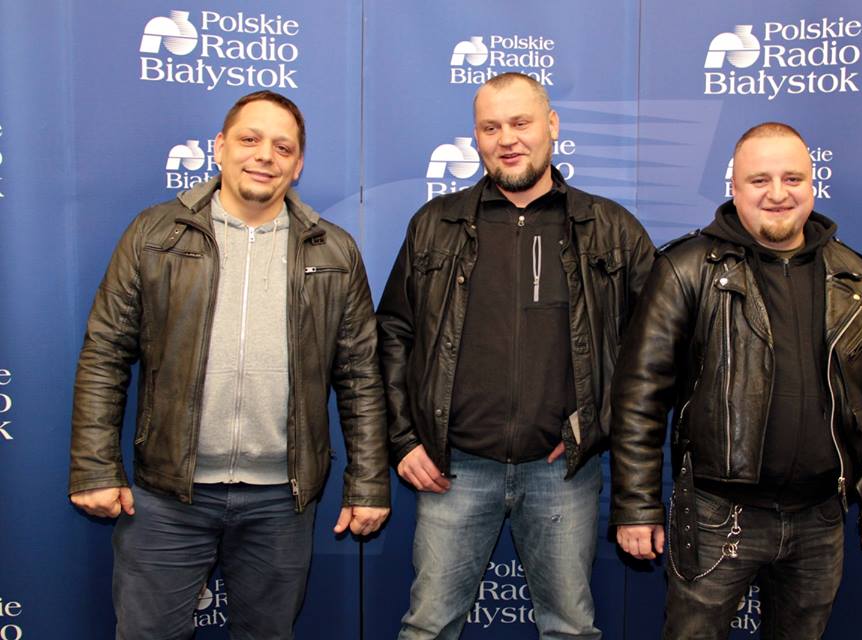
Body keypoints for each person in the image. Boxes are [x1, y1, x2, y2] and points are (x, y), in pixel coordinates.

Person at [68, 90, 390, 639]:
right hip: (168, 496)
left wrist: (368, 483)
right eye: (250, 139)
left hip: (281, 502)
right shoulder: (154, 234)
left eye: (282, 147)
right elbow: (105, 353)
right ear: (219, 147)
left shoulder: (335, 252)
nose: (265, 155)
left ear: (298, 164)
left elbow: (361, 377)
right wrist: (96, 468)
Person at [378, 72, 654, 639]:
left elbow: (652, 354)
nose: (507, 139)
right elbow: (393, 335)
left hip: (562, 472)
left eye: (520, 123)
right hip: (455, 469)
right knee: (428, 627)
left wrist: (594, 426)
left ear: (551, 125)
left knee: (570, 629)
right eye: (490, 127)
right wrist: (403, 439)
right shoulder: (435, 224)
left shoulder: (611, 229)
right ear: (476, 137)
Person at [610, 122, 862, 638]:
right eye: (759, 180)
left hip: (821, 519)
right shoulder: (686, 268)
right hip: (717, 516)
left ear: (812, 183)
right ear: (734, 187)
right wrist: (637, 506)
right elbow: (640, 397)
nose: (777, 194)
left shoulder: (855, 277)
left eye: (792, 178)